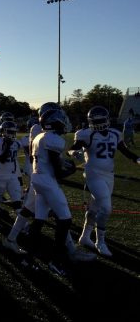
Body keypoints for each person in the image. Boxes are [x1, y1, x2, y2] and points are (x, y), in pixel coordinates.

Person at [70, 106, 140, 256]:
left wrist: (138, 159)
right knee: (106, 208)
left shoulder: (115, 134)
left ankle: (84, 236)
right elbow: (73, 148)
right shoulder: (86, 134)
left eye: (102, 120)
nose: (100, 123)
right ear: (90, 122)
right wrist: (74, 152)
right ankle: (100, 241)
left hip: (109, 175)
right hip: (93, 174)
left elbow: (125, 151)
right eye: (97, 121)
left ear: (107, 119)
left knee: (94, 208)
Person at [27, 109, 81, 275]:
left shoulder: (38, 136)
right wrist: (71, 170)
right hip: (47, 181)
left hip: (37, 178)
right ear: (55, 122)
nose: (64, 122)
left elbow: (42, 160)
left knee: (39, 220)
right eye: (61, 120)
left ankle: (28, 258)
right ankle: (56, 261)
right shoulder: (53, 139)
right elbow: (58, 172)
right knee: (65, 221)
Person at [0, 121, 22, 231]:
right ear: (3, 131)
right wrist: (7, 145)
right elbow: (2, 159)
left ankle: (23, 226)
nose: (13, 134)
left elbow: (26, 145)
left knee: (17, 201)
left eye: (14, 131)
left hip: (12, 176)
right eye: (10, 131)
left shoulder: (16, 142)